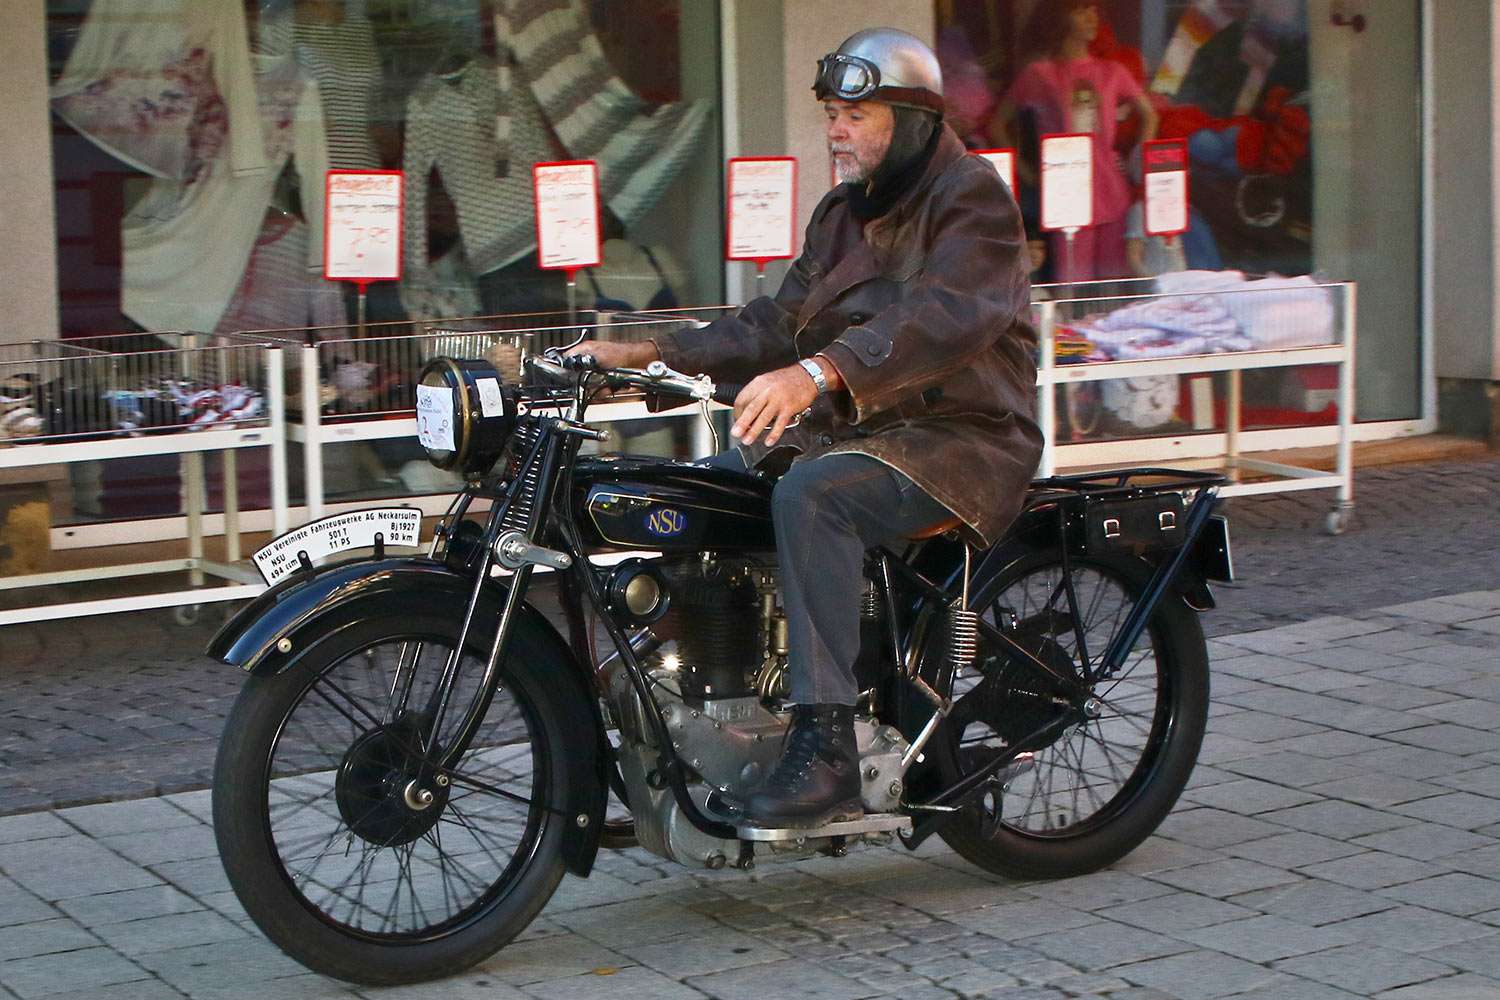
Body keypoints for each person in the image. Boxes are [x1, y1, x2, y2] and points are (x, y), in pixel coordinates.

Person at [567, 27, 1041, 828]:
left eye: (855, 115)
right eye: (830, 114)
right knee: (699, 491)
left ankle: (826, 753)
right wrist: (646, 349)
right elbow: (778, 322)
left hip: (962, 437)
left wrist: (820, 373)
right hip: (863, 432)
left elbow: (945, 316)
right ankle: (701, 693)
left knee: (814, 497)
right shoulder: (842, 215)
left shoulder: (971, 196)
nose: (835, 133)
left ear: (915, 118)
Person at [992, 1, 1158, 283]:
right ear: (1062, 18)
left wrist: (1135, 160)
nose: (1092, 18)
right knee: (1072, 287)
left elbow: (1149, 114)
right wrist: (1029, 174)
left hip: (1111, 191)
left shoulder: (1112, 72)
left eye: (1094, 11)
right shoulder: (1040, 74)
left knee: (1112, 289)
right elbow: (998, 125)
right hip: (1067, 193)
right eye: (1082, 11)